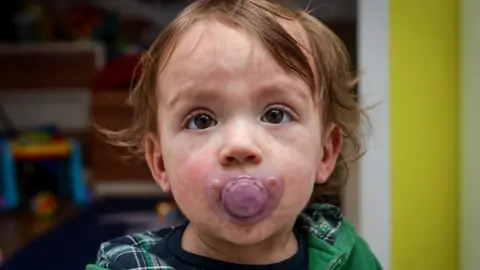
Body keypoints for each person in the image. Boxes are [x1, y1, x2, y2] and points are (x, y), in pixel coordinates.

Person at [87, 0, 381, 269]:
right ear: (161, 162)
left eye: (275, 114)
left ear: (325, 153)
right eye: (201, 120)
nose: (240, 145)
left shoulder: (349, 256)